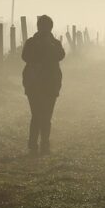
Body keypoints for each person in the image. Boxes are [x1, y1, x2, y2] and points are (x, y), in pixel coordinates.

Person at [21, 15, 65, 155]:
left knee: (46, 114)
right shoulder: (32, 42)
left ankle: (43, 142)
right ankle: (35, 143)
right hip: (35, 83)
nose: (44, 29)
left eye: (46, 27)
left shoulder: (55, 43)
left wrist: (48, 46)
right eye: (42, 26)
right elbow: (25, 57)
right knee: (37, 113)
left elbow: (61, 55)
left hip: (49, 83)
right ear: (39, 27)